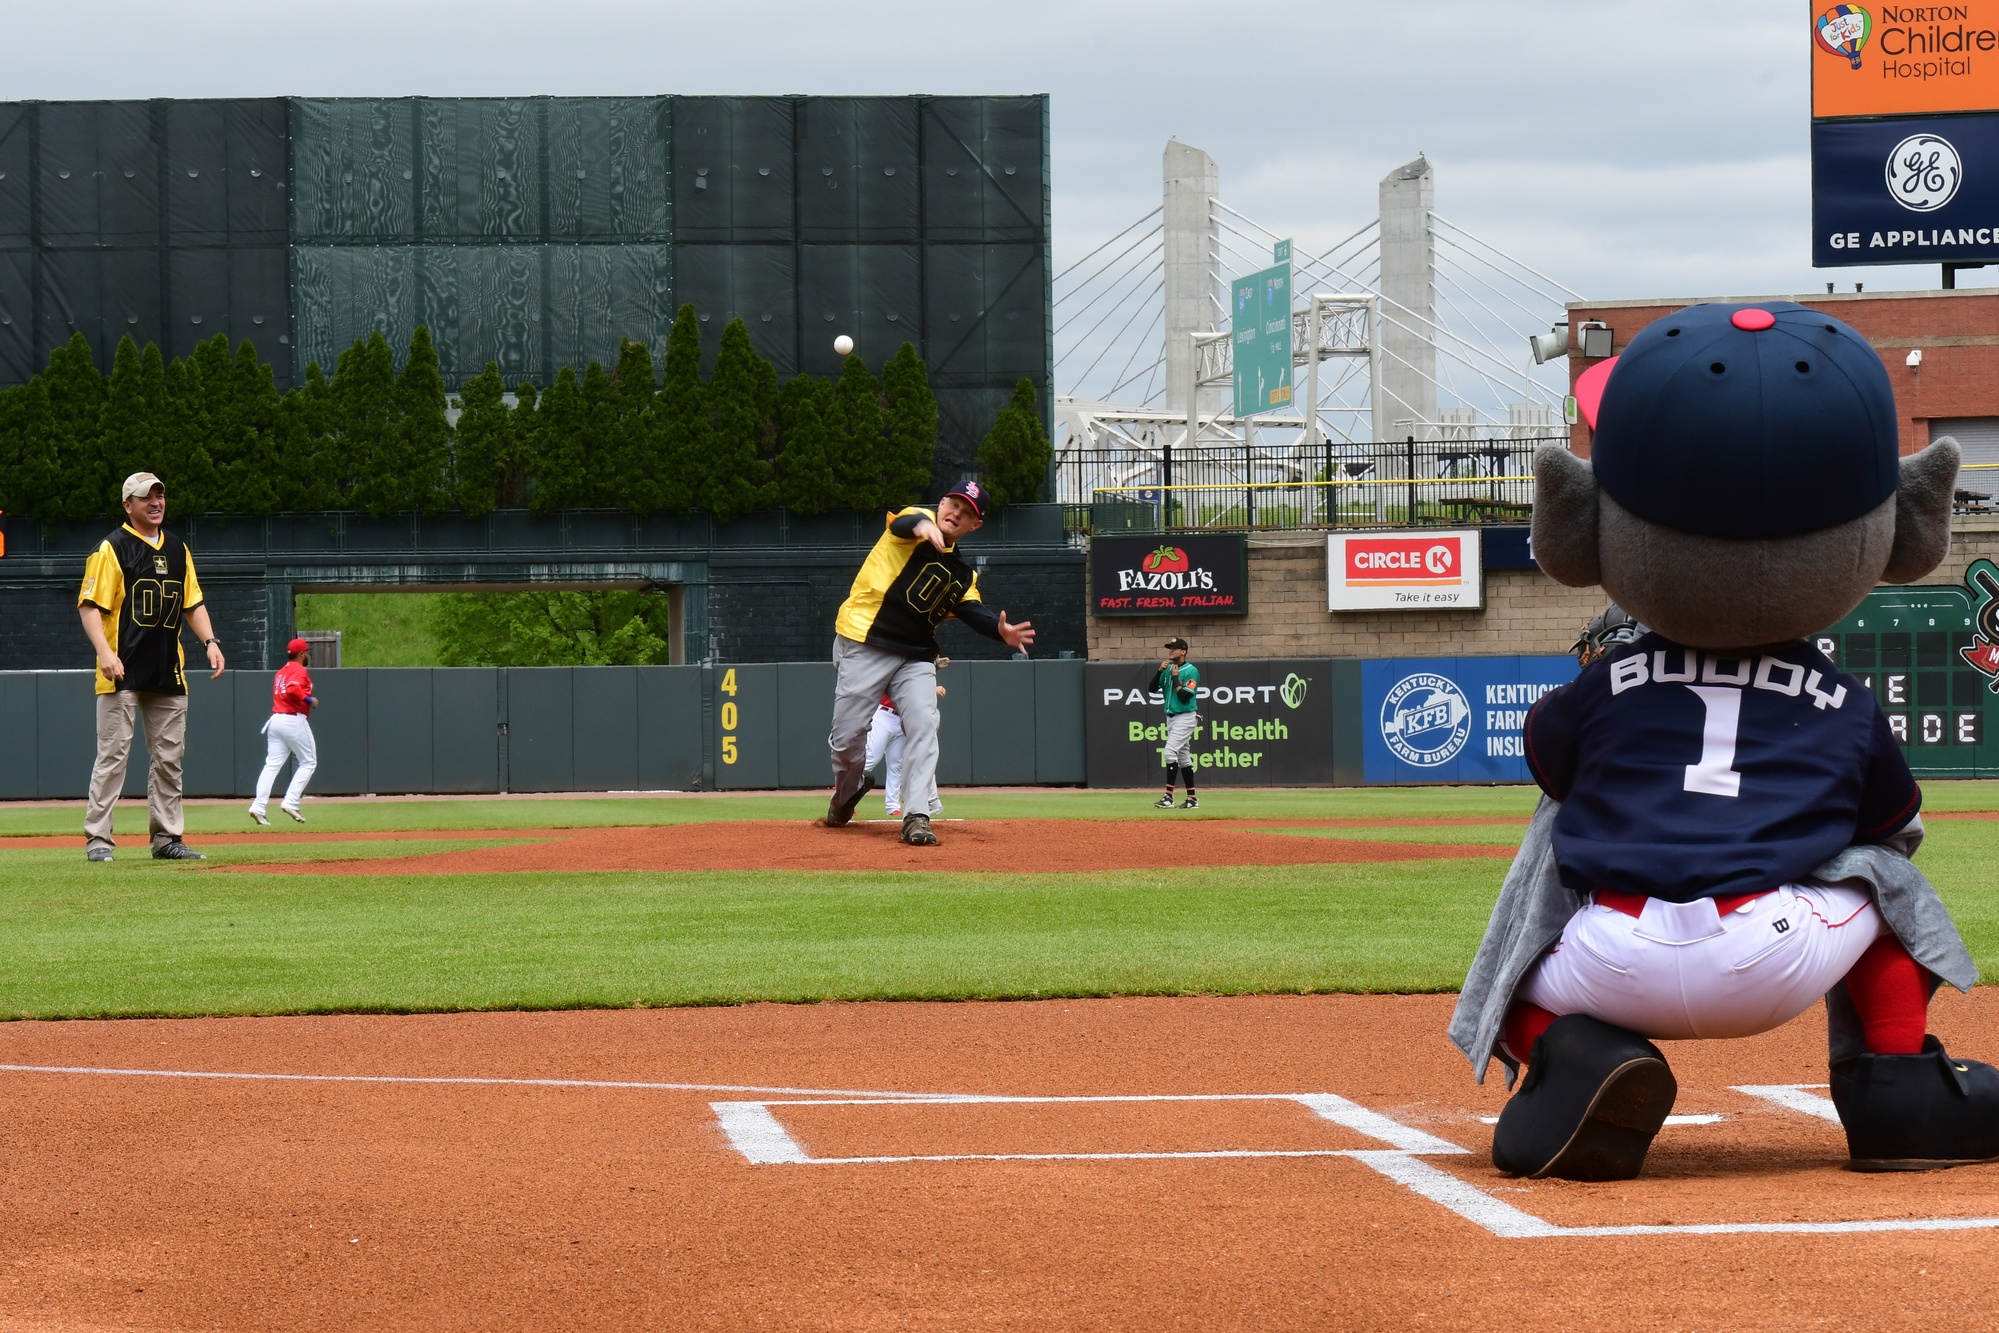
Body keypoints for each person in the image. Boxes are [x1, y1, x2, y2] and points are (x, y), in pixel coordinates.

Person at [825, 480, 1034, 846]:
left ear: (975, 525)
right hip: (864, 639)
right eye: (954, 504)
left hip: (916, 654)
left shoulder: (963, 574)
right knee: (846, 740)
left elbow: (972, 609)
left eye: (967, 512)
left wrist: (1001, 632)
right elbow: (903, 524)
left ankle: (916, 815)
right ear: (941, 504)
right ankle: (849, 791)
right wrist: (923, 527)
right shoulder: (915, 520)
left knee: (923, 724)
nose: (957, 513)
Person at [78, 472, 225, 862]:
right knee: (113, 756)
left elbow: (192, 602)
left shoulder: (178, 548)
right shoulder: (111, 549)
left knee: (169, 758)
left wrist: (210, 642)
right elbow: (89, 606)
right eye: (146, 497)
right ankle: (98, 840)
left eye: (159, 495)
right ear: (128, 505)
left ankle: (167, 839)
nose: (156, 502)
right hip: (121, 668)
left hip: (167, 668)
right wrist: (105, 655)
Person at [864, 661, 948, 818]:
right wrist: (931, 686)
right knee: (871, 758)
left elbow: (912, 671)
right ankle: (846, 795)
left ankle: (892, 806)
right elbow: (900, 679)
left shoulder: (909, 664)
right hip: (884, 715)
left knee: (896, 764)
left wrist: (933, 664)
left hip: (902, 717)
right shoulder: (888, 665)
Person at [249, 638, 319, 825]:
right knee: (309, 762)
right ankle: (291, 801)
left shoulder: (281, 672)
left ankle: (258, 806)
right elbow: (293, 688)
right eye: (307, 652)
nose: (308, 655)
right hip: (292, 720)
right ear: (302, 653)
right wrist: (310, 701)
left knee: (271, 765)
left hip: (276, 720)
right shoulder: (299, 669)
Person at [1153, 638, 1201, 810]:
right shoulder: (1167, 670)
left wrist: (1175, 678)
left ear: (1184, 651)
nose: (1171, 651)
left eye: (1175, 648)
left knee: (1169, 751)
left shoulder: (1191, 671)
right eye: (1170, 648)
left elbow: (1185, 696)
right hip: (1171, 718)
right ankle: (1192, 799)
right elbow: (1152, 689)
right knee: (1183, 757)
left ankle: (1168, 796)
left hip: (1186, 716)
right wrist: (1160, 672)